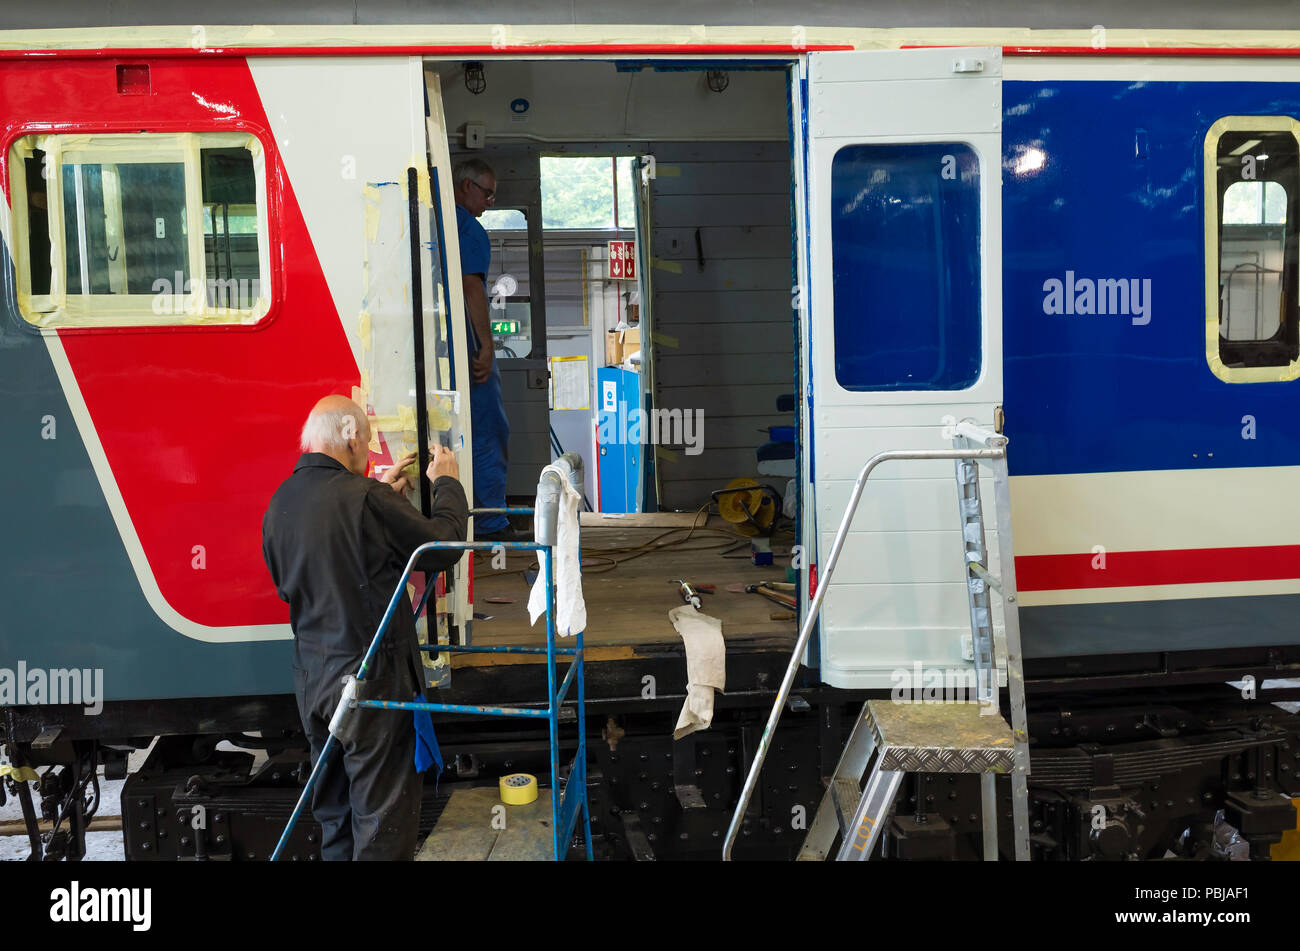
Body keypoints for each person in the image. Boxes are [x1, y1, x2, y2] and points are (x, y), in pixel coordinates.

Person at [261, 395, 468, 860]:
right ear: (350, 436)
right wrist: (448, 484)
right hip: (371, 683)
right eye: (368, 444)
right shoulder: (365, 499)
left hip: (312, 680)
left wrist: (379, 503)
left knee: (335, 818)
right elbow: (444, 546)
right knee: (383, 827)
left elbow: (298, 581)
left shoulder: (280, 504)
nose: (370, 455)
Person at [453, 157, 518, 541]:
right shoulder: (468, 229)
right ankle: (493, 523)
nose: (490, 202)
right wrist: (487, 346)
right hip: (467, 339)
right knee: (489, 431)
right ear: (466, 186)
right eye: (487, 193)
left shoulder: (435, 225)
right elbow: (471, 287)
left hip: (442, 345)